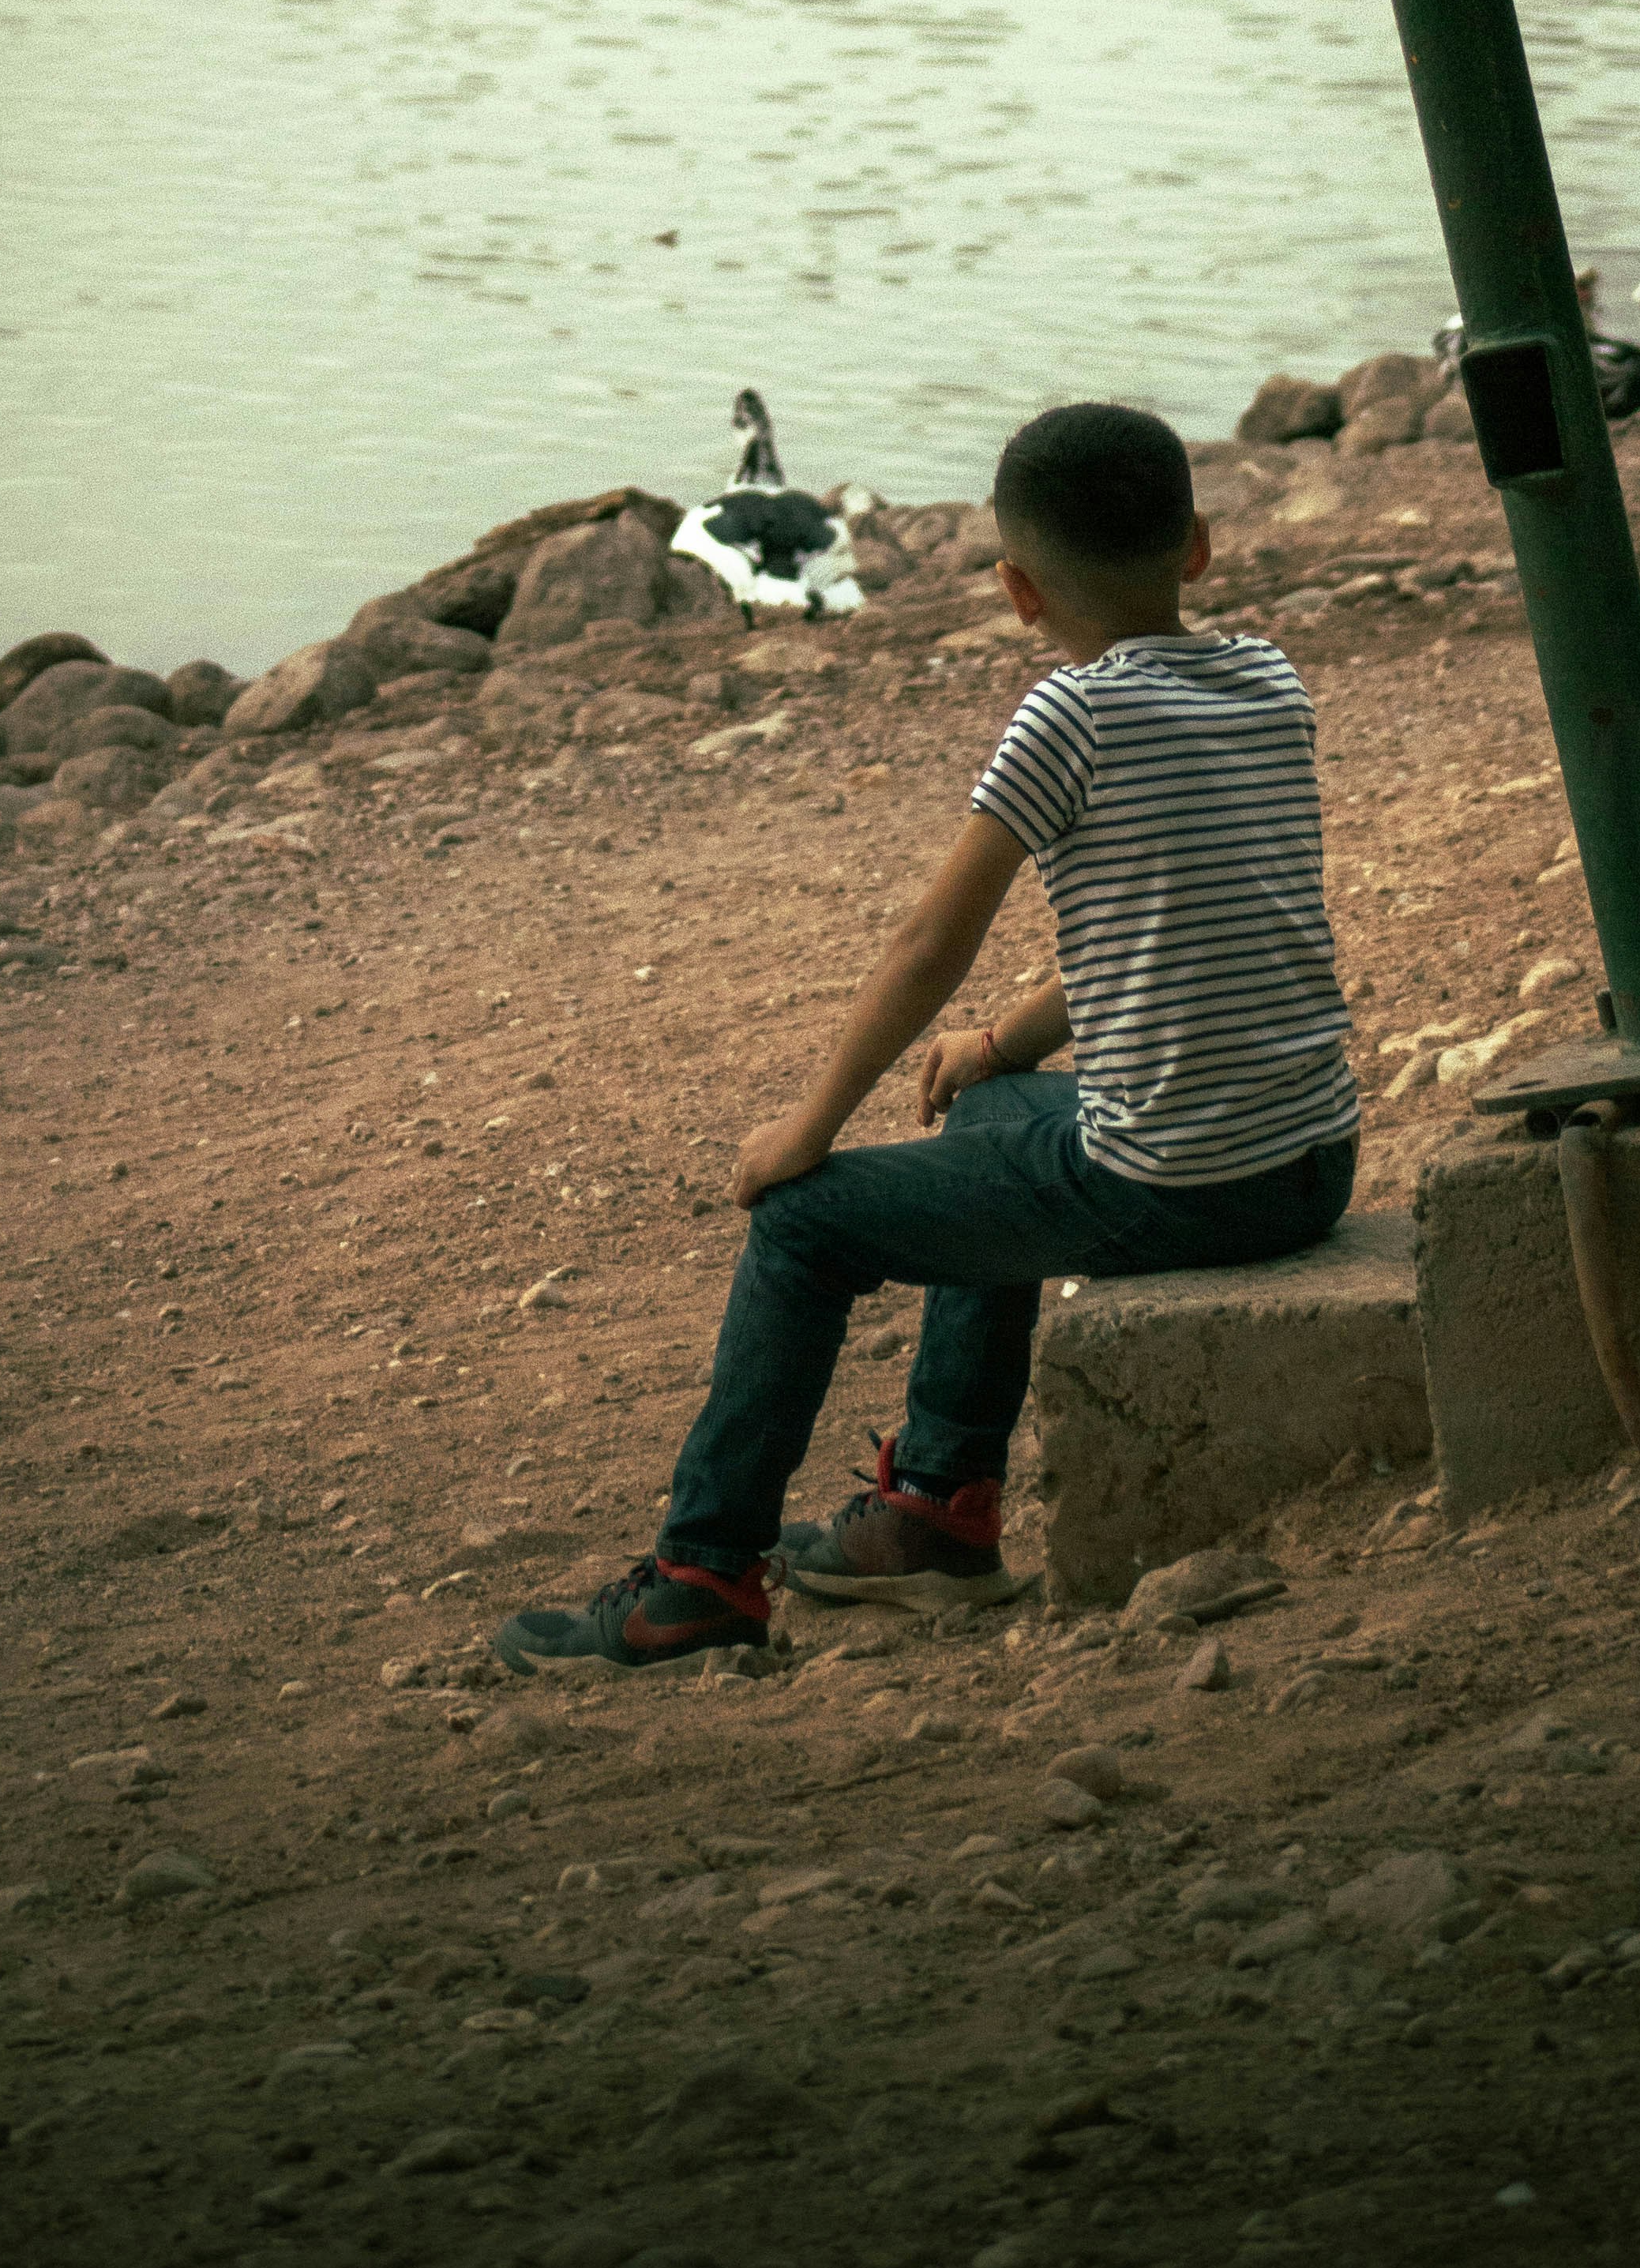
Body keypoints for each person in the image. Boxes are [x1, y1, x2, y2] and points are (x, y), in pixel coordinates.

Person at [494, 400, 1360, 1673]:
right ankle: (936, 1513)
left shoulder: (1067, 716)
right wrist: (1004, 1045)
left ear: (1015, 587)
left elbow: (925, 945)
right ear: (1199, 549)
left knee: (800, 1226)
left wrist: (810, 1129)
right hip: (1306, 1159)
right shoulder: (1267, 682)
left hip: (1176, 1184)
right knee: (991, 1109)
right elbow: (1184, 925)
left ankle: (699, 1579)